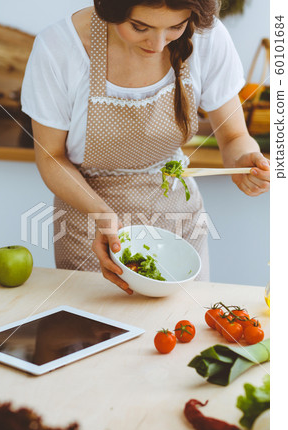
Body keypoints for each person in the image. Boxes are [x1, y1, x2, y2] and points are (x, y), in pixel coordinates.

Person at [21, 0, 270, 294]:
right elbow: (52, 157)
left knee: (184, 332)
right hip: (91, 227)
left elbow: (233, 136)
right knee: (97, 334)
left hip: (178, 224)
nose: (158, 43)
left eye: (175, 27)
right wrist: (102, 214)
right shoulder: (60, 47)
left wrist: (244, 159)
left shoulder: (207, 35)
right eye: (140, 27)